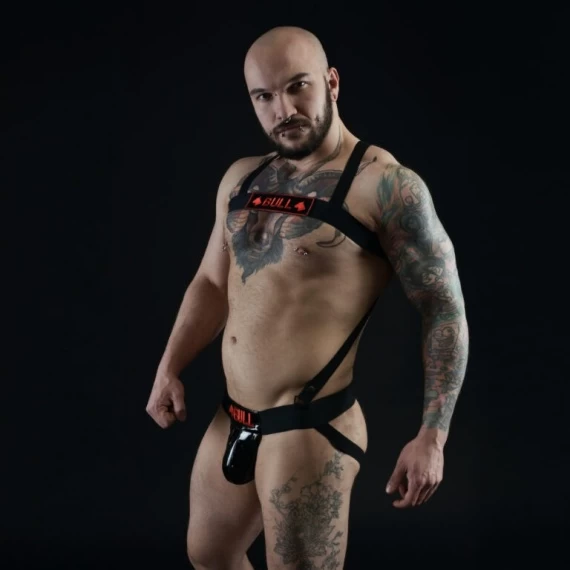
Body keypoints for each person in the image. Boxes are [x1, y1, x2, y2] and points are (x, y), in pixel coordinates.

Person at [146, 25, 469, 570]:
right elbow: (211, 283)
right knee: (209, 555)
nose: (284, 109)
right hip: (235, 417)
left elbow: (444, 308)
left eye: (298, 86)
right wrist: (169, 367)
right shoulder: (243, 179)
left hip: (309, 426)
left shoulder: (384, 186)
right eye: (264, 96)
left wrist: (432, 437)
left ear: (331, 82)